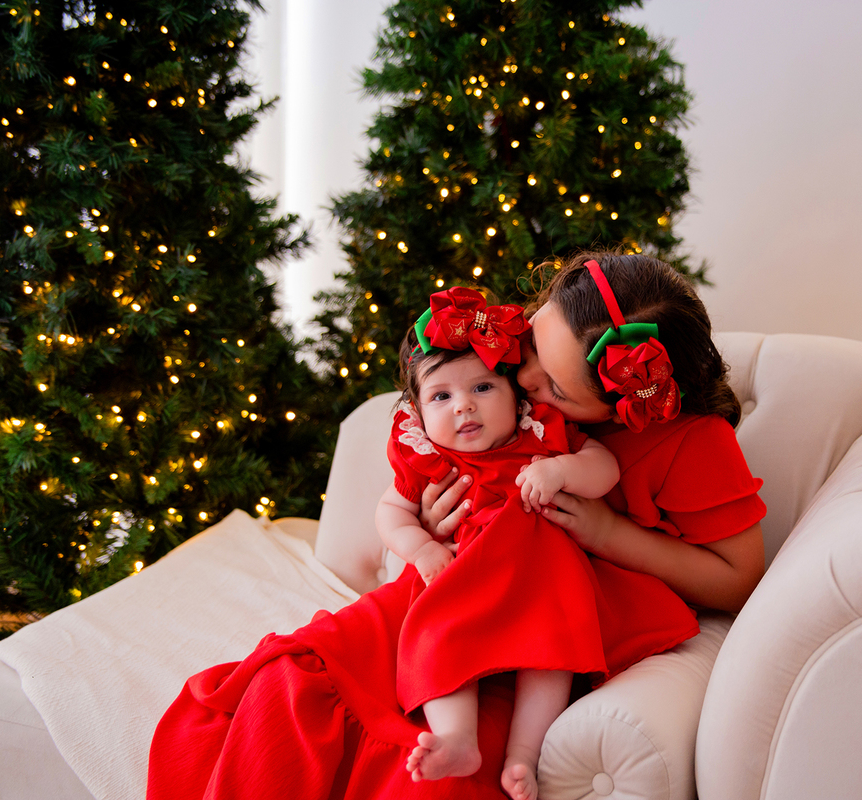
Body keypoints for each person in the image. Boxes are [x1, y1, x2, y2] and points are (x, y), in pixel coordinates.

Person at [147, 252, 766, 800]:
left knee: (424, 775)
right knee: (287, 684)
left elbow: (739, 579)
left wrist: (608, 534)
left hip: (548, 617)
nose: (524, 382)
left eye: (554, 385)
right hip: (449, 584)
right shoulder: (511, 374)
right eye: (532, 348)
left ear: (625, 404)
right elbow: (434, 436)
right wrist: (428, 524)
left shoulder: (691, 443)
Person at [378, 287, 699, 800]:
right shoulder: (427, 457)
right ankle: (457, 738)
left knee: (551, 655)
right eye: (441, 397)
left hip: (542, 580)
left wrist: (562, 470)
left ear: (515, 394)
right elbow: (390, 513)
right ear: (416, 410)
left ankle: (524, 754)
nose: (464, 406)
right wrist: (422, 549)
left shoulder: (541, 433)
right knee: (438, 639)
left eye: (483, 387)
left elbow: (604, 468)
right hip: (461, 578)